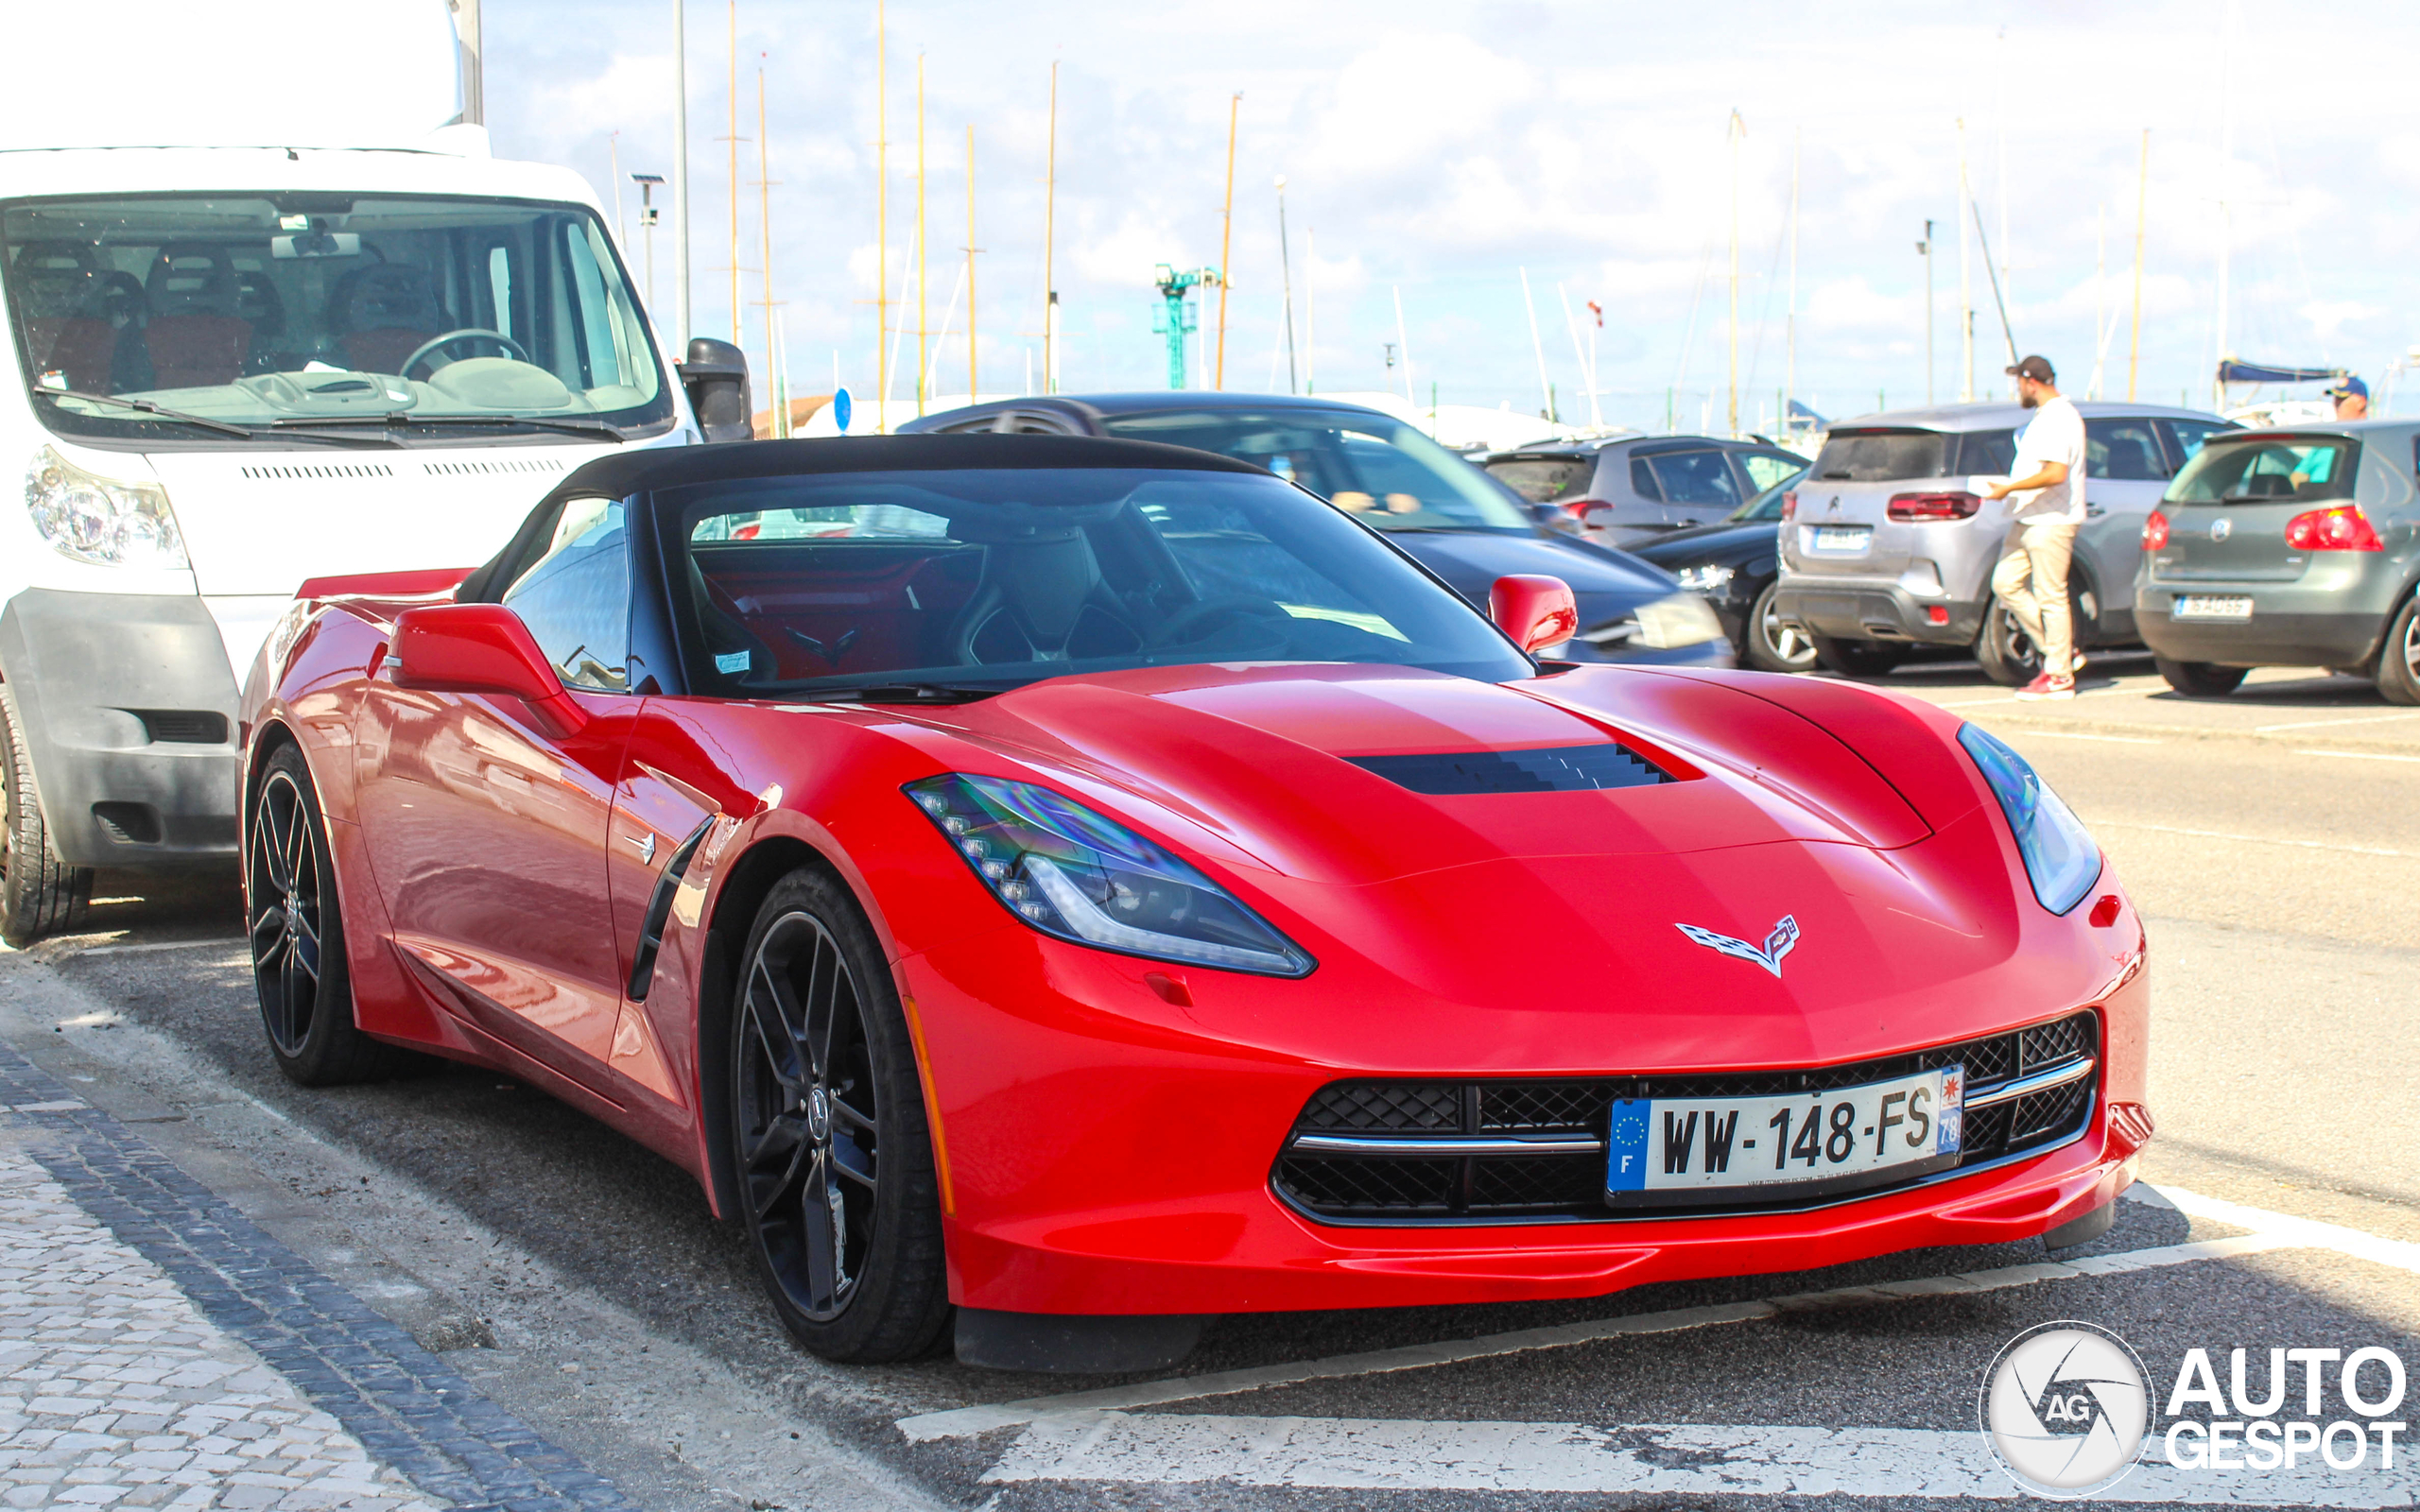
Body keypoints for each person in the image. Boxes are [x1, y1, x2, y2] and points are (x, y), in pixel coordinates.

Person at [1981, 355, 2085, 700]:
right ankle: (2060, 651)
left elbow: (2055, 474)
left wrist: (2008, 489)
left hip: (2052, 521)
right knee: (2005, 583)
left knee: (2051, 595)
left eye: (2018, 383)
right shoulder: (2044, 417)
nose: (2018, 391)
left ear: (2031, 381)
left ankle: (2059, 677)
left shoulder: (2060, 418)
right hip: (2028, 518)